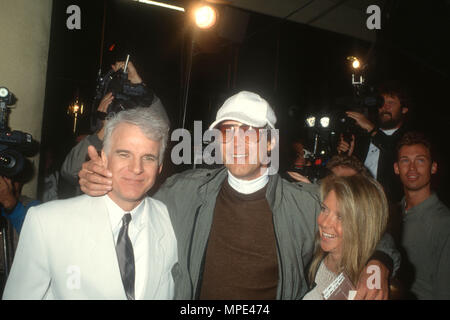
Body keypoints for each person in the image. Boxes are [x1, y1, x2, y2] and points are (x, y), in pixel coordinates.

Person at [79, 90, 400, 300]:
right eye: (229, 133)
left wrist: (379, 262)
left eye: (251, 134)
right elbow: (132, 200)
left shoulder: (304, 202)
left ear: (271, 142)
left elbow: (368, 224)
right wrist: (103, 182)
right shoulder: (186, 191)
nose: (238, 143)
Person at [2, 107, 177, 300]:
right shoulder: (47, 222)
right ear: (104, 158)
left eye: (148, 158)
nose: (136, 168)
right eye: (124, 154)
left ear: (160, 167)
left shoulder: (172, 221)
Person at [60, 60, 169, 196]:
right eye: (124, 155)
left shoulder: (160, 210)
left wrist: (140, 88)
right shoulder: (96, 143)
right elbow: (70, 171)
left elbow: (160, 131)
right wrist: (104, 130)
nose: (136, 169)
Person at [303, 174, 389, 299]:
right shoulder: (308, 255)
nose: (324, 222)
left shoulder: (368, 286)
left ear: (362, 224)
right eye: (324, 209)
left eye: (340, 217)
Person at [393, 131, 450, 299]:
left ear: (433, 167)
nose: (412, 168)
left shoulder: (444, 223)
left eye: (420, 160)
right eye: (405, 161)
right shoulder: (390, 214)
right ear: (396, 168)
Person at [337, 81, 411, 202]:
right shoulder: (364, 136)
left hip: (388, 205)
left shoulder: (409, 138)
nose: (385, 107)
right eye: (381, 102)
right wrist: (346, 156)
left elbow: (393, 152)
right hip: (358, 200)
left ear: (404, 109)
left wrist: (371, 129)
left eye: (391, 103)